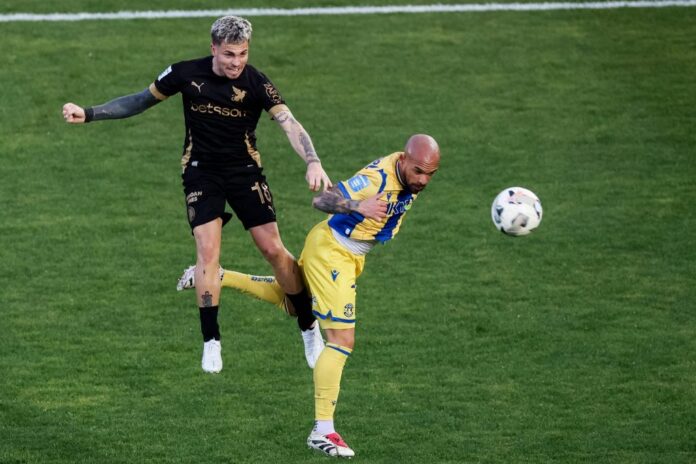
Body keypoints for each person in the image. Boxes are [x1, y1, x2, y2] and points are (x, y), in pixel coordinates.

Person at [62, 15, 330, 374]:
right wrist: (89, 113)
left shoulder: (256, 82)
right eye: (229, 54)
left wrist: (313, 161)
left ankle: (309, 328)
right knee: (207, 250)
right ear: (213, 48)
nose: (236, 62)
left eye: (243, 54)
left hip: (244, 172)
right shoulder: (185, 73)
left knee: (273, 250)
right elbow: (140, 101)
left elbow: (289, 124)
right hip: (201, 172)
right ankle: (211, 341)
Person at [177, 134, 441, 457]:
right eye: (418, 171)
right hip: (334, 253)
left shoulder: (407, 175)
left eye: (430, 174)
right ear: (403, 159)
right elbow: (323, 201)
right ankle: (323, 430)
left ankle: (214, 276)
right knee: (341, 340)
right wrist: (359, 206)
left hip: (342, 252)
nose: (422, 180)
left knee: (293, 302)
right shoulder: (378, 179)